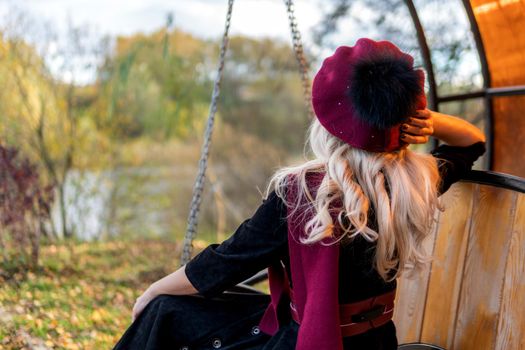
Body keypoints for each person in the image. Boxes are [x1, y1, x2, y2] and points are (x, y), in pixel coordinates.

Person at [113, 38, 486, 350]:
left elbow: (225, 264)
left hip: (307, 340)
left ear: (329, 124)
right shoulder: (414, 183)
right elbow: (471, 143)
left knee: (165, 311)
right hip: (376, 342)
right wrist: (430, 121)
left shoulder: (304, 196)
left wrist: (151, 293)